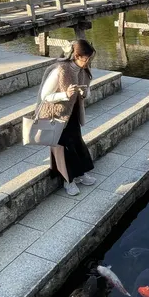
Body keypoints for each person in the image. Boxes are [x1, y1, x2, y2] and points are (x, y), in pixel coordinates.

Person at [38, 39, 97, 196]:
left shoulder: (84, 71)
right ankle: (68, 181)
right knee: (62, 149)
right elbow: (45, 96)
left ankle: (80, 174)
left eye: (89, 58)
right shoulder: (60, 70)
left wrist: (84, 94)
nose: (88, 62)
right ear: (76, 55)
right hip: (56, 116)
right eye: (85, 59)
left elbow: (88, 92)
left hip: (73, 114)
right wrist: (65, 94)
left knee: (77, 143)